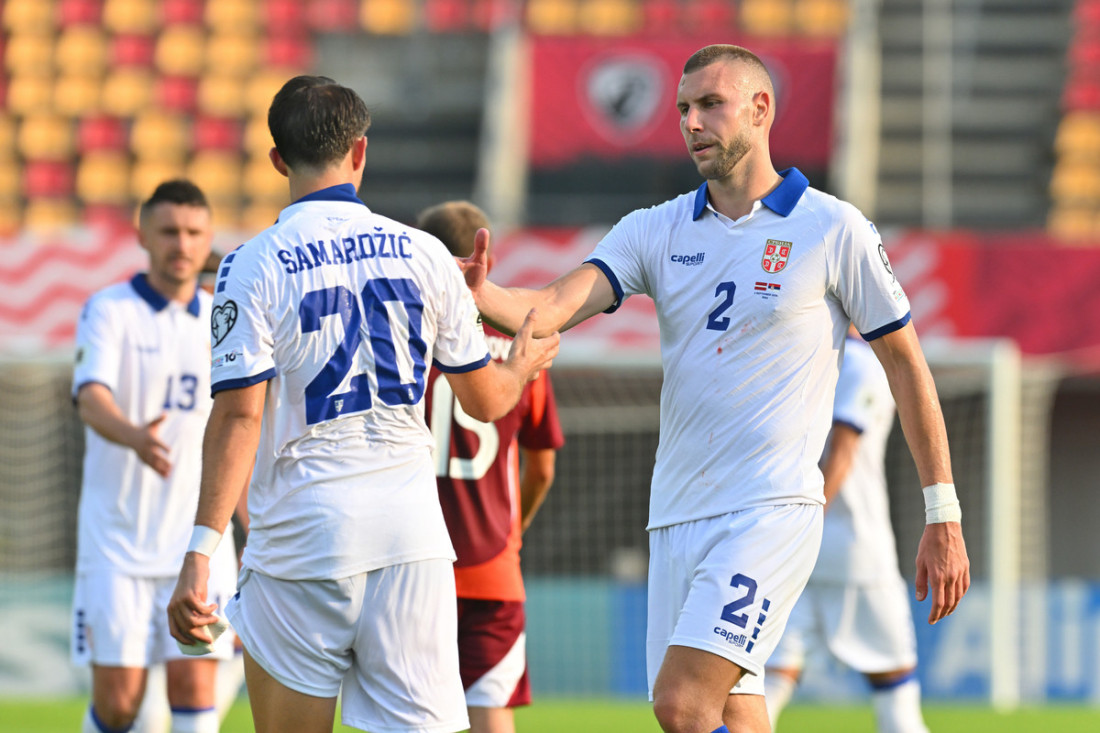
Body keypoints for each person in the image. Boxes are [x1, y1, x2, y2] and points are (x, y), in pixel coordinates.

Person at [457, 44, 970, 733]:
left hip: (769, 510)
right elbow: (549, 305)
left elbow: (906, 364)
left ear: (761, 110)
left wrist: (943, 511)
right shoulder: (656, 229)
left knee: (682, 703)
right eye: (682, 109)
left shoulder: (832, 227)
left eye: (709, 105)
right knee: (736, 710)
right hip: (676, 515)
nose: (691, 122)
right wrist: (479, 290)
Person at [165, 75, 559, 733]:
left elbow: (240, 415)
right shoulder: (426, 254)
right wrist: (517, 365)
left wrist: (201, 550)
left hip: (303, 539)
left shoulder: (250, 264)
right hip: (411, 541)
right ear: (360, 152)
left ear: (278, 161)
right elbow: (486, 401)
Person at [71, 179, 239, 733]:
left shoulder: (224, 320)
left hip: (197, 548)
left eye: (193, 232)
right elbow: (91, 399)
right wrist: (135, 435)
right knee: (120, 705)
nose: (182, 244)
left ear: (209, 236)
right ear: (143, 233)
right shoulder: (109, 310)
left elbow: (242, 425)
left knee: (197, 685)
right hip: (116, 547)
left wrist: (250, 521)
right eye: (169, 231)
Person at [418, 201, 566, 733]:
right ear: (489, 262)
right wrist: (513, 533)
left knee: (411, 717)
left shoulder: (405, 344)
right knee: (491, 718)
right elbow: (542, 468)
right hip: (492, 572)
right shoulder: (518, 357)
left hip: (413, 566)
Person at [763, 326, 929, 732]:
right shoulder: (861, 364)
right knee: (896, 687)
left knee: (773, 677)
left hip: (790, 547)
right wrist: (809, 524)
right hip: (852, 546)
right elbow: (842, 454)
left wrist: (787, 534)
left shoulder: (797, 360)